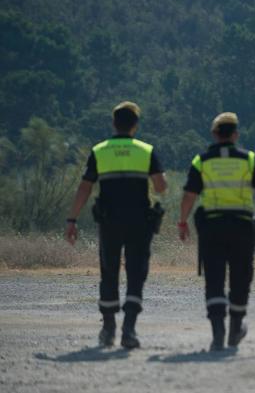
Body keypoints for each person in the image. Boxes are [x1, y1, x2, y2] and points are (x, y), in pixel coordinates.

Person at [178, 112, 255, 351]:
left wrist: (182, 221)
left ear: (215, 134)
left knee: (214, 280)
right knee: (241, 278)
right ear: (236, 135)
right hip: (241, 228)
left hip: (211, 229)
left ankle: (218, 334)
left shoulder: (201, 161)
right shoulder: (248, 160)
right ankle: (235, 328)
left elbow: (189, 196)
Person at [65, 101, 167, 349]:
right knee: (136, 273)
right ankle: (129, 331)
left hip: (110, 222)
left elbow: (85, 188)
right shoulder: (146, 150)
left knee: (109, 272)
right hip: (139, 223)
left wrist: (72, 219)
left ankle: (108, 329)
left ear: (114, 123)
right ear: (135, 126)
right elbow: (161, 187)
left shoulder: (99, 150)